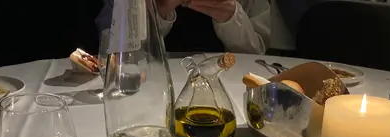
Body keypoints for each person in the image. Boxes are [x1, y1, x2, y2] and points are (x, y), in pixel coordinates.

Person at [96, 0, 270, 54]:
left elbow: (257, 56)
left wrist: (231, 16)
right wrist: (158, 11)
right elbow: (114, 57)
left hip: (230, 86)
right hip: (151, 90)